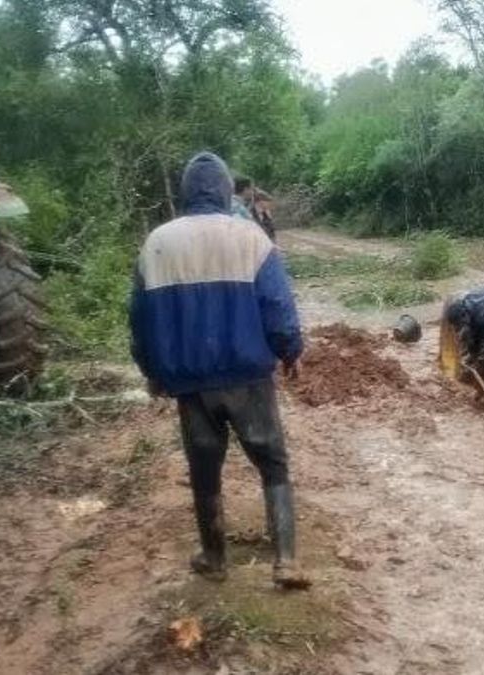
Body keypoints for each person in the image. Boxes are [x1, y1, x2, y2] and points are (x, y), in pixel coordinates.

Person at [130, 152, 309, 590]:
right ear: (227, 191)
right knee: (272, 463)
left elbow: (139, 321)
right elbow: (278, 307)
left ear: (185, 192)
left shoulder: (156, 244)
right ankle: (285, 560)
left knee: (204, 468)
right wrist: (291, 352)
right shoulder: (251, 239)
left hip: (191, 384)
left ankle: (214, 559)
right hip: (248, 378)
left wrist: (152, 371)